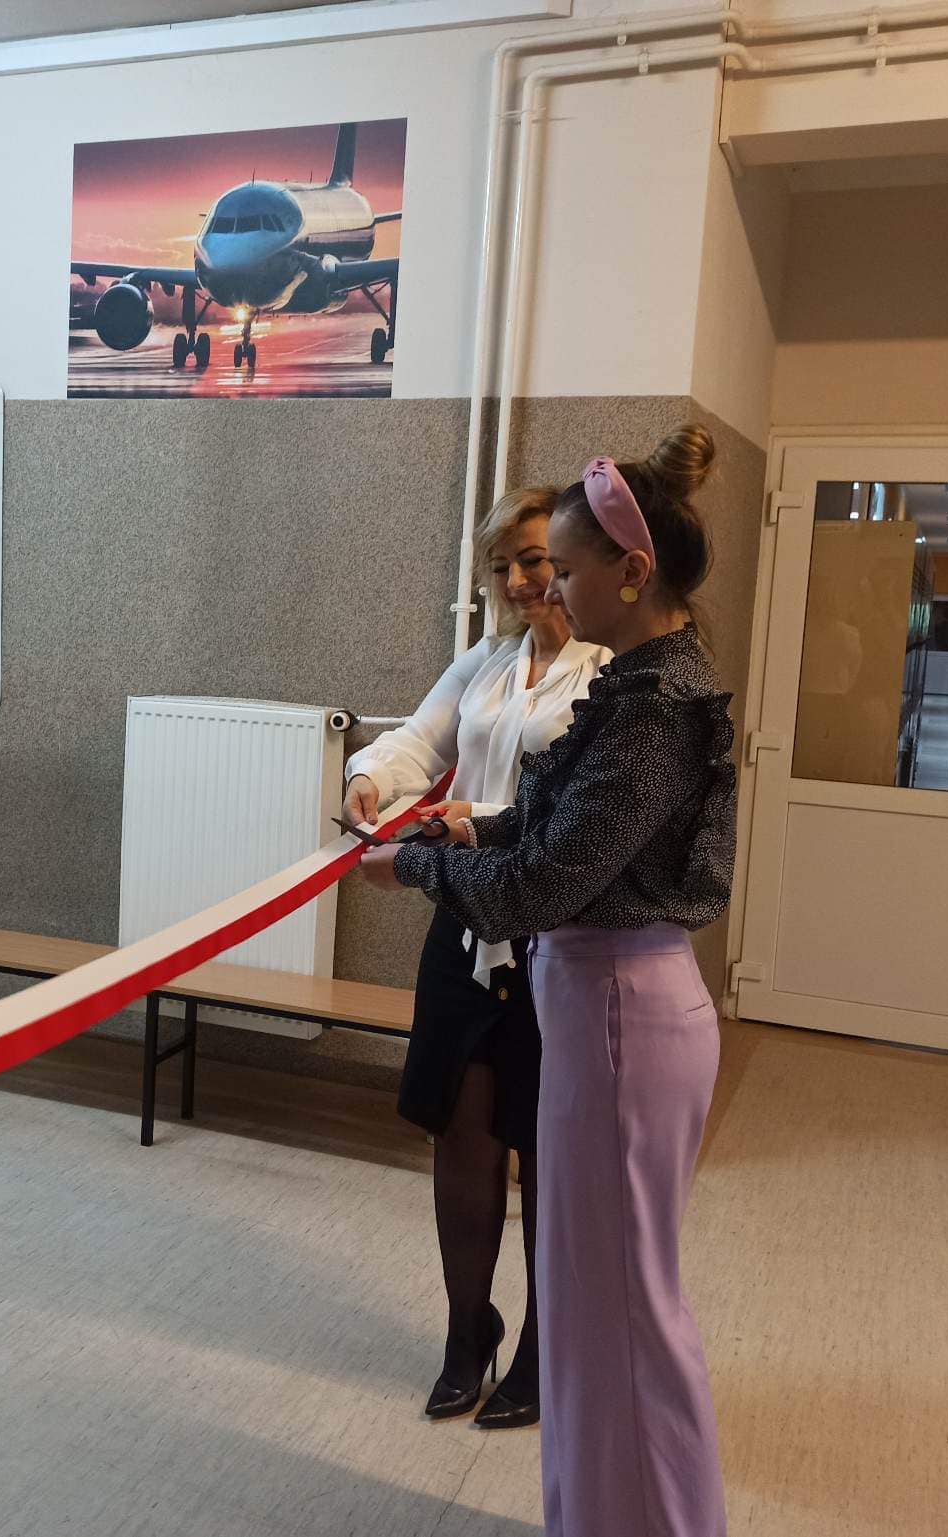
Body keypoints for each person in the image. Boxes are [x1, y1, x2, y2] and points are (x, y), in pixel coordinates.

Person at [358, 425, 735, 1535]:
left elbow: (541, 883)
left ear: (633, 571)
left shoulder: (653, 710)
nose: (549, 590)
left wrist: (417, 865)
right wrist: (457, 832)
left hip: (621, 1012)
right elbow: (550, 826)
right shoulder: (637, 686)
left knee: (624, 1308)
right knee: (587, 1300)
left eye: (563, 568)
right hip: (596, 1002)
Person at [343, 485, 610, 1430]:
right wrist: (371, 777)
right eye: (503, 566)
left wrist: (473, 820)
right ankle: (469, 1330)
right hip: (465, 933)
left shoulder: (608, 672)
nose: (521, 581)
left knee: (546, 1152)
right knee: (462, 1139)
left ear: (573, 561)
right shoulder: (487, 662)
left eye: (535, 559)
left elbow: (565, 814)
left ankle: (542, 1344)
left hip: (554, 944)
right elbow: (418, 741)